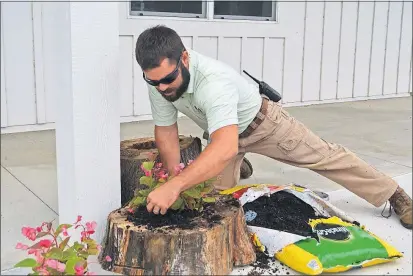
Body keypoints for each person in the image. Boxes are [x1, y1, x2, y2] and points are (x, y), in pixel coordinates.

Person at [134, 25, 412, 230]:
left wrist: (177, 185)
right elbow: (166, 131)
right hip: (224, 134)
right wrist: (175, 181)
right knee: (209, 202)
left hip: (264, 126)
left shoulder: (213, 82)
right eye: (153, 81)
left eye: (168, 79)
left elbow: (224, 146)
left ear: (184, 59)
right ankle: (236, 164)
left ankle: (393, 194)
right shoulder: (160, 82)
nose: (162, 87)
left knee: (325, 157)